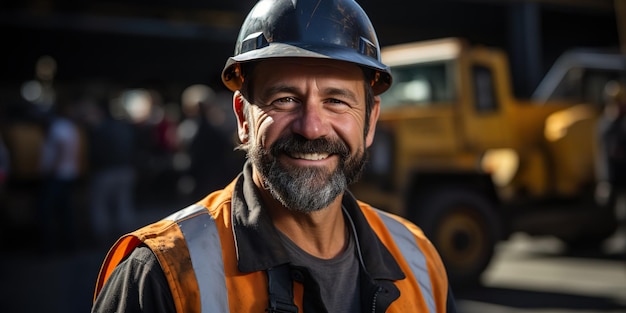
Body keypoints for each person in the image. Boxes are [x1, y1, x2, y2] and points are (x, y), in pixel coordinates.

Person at [92, 0, 457, 312]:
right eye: (284, 99)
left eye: (336, 101)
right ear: (243, 118)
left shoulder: (419, 258)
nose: (312, 128)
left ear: (370, 120)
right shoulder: (161, 272)